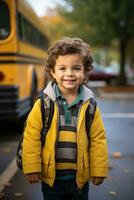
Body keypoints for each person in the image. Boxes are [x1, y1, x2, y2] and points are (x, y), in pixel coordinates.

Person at [22, 37, 109, 200]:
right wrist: (32, 167)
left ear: (84, 72)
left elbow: (98, 139)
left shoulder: (90, 105)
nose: (69, 73)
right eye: (62, 68)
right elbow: (31, 136)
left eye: (76, 68)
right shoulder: (43, 104)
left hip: (79, 180)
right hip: (51, 179)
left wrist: (98, 169)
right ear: (53, 72)